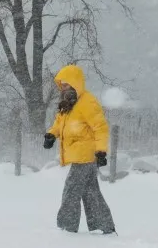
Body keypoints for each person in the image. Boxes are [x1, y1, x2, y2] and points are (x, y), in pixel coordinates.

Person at [43, 64, 116, 235]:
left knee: (71, 189)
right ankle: (104, 225)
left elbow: (100, 127)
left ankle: (66, 228)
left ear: (75, 83)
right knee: (91, 192)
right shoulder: (67, 104)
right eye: (61, 85)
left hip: (85, 155)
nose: (63, 88)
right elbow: (59, 124)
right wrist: (51, 135)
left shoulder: (87, 102)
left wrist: (101, 151)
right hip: (80, 156)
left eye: (66, 84)